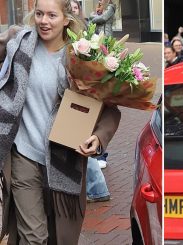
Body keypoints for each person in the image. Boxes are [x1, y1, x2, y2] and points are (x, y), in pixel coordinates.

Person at [0, 0, 121, 244]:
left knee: (58, 237)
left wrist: (98, 138)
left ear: (66, 18)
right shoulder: (19, 42)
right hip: (23, 154)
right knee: (34, 237)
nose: (44, 21)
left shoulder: (82, 56)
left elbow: (110, 109)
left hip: (63, 157)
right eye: (39, 14)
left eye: (52, 15)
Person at [70, 0, 112, 202]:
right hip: (76, 99)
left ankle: (97, 189)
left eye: (75, 7)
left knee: (81, 141)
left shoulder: (87, 32)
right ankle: (97, 189)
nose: (72, 11)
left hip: (83, 101)